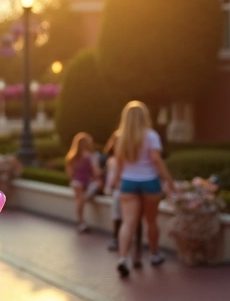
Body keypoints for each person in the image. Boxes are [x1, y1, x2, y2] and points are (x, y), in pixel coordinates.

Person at [107, 102, 176, 277]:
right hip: (150, 182)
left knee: (128, 223)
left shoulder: (120, 136)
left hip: (128, 182)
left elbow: (119, 163)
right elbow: (156, 160)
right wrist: (169, 181)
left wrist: (114, 182)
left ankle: (122, 258)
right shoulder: (151, 136)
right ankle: (154, 255)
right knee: (151, 221)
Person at [64, 133, 102, 233]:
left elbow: (70, 173)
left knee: (79, 201)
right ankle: (80, 222)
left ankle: (80, 221)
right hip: (85, 182)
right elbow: (96, 172)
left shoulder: (72, 157)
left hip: (76, 182)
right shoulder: (91, 156)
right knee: (82, 200)